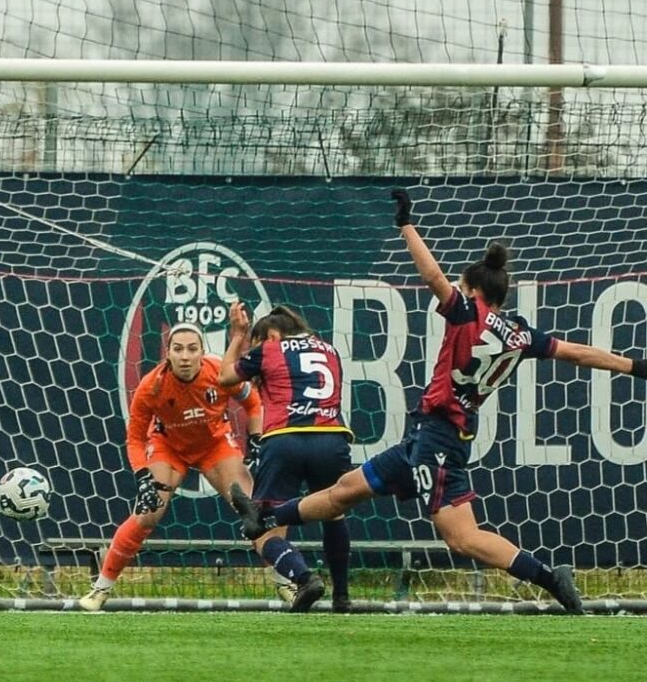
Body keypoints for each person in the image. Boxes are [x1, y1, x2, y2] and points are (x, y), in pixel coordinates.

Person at [231, 188, 647, 613]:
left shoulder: (467, 314)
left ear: (471, 290)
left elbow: (433, 277)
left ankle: (549, 577)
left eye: (461, 287)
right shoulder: (520, 333)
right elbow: (578, 353)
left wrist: (406, 226)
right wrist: (634, 366)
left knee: (462, 537)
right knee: (345, 489)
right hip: (428, 437)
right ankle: (264, 517)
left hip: (439, 441)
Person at [78, 322, 268, 611]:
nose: (185, 356)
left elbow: (254, 404)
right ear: (167, 354)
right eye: (177, 349)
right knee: (147, 513)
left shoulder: (220, 372)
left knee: (254, 509)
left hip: (214, 445)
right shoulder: (151, 385)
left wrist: (256, 438)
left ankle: (287, 582)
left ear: (202, 352)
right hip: (170, 448)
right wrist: (143, 475)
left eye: (192, 349)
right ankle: (100, 589)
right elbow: (134, 439)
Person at [218, 303, 353, 612]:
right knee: (334, 513)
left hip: (284, 441)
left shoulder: (270, 349)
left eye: (258, 340)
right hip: (331, 438)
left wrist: (238, 335)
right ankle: (342, 596)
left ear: (273, 335)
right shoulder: (329, 350)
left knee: (262, 529)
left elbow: (225, 376)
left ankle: (304, 577)